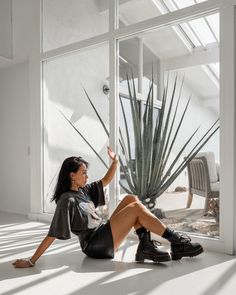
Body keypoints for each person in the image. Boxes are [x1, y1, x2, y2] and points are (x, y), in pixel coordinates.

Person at [12, 147, 203, 268]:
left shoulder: (83, 191)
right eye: (83, 173)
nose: (87, 177)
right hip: (94, 245)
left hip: (102, 233)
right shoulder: (67, 200)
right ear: (72, 175)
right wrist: (31, 260)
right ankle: (177, 243)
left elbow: (105, 180)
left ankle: (145, 247)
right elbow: (52, 233)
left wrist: (115, 162)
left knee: (130, 198)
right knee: (136, 207)